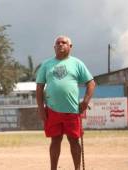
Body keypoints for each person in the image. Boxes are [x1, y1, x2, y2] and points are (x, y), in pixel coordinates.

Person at [36, 35, 95, 170]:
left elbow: (91, 83)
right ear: (54, 47)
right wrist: (41, 109)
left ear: (70, 46)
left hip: (72, 110)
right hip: (52, 110)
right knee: (55, 140)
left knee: (74, 140)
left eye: (64, 42)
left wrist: (85, 102)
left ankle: (77, 168)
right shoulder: (46, 64)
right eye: (58, 43)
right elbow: (39, 88)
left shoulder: (77, 63)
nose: (61, 44)